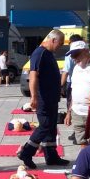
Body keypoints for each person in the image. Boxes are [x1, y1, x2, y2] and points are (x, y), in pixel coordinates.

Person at [17, 29, 69, 169]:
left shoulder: (48, 53)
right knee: (45, 125)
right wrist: (34, 97)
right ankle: (26, 152)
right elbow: (33, 76)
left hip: (51, 98)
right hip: (43, 98)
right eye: (60, 43)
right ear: (53, 40)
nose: (61, 46)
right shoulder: (39, 53)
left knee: (51, 126)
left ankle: (51, 155)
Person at [64, 41, 90, 146]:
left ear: (86, 51)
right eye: (72, 55)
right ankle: (86, 162)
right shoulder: (76, 68)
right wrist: (69, 112)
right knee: (83, 144)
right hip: (77, 113)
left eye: (76, 54)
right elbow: (74, 90)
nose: (73, 57)